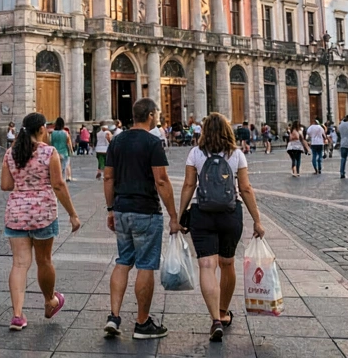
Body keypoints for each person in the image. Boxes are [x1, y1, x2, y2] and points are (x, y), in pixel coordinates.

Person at [177, 112, 264, 342]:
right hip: (230, 213)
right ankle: (224, 312)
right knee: (227, 264)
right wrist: (257, 219)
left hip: (201, 213)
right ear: (227, 131)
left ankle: (215, 319)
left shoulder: (195, 153)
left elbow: (188, 184)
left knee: (207, 265)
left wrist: (178, 216)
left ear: (204, 131)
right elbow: (245, 188)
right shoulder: (236, 154)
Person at [103, 98, 180, 340]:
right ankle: (142, 322)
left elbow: (108, 178)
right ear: (149, 115)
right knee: (145, 265)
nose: (157, 117)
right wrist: (173, 215)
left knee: (123, 261)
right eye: (156, 113)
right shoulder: (152, 142)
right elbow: (161, 180)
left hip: (122, 209)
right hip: (145, 210)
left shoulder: (116, 141)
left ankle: (114, 317)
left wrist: (110, 209)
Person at [1, 113, 81, 331]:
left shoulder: (11, 153)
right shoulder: (48, 152)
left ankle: (17, 315)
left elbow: (6, 185)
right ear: (42, 129)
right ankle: (50, 301)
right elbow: (58, 184)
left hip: (16, 213)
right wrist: (72, 214)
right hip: (43, 212)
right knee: (44, 260)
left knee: (19, 264)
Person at [50, 117, 74, 183]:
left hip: (56, 152)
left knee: (58, 166)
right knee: (66, 164)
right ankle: (68, 177)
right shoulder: (65, 133)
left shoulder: (53, 133)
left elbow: (51, 143)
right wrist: (71, 150)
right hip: (64, 152)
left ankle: (58, 177)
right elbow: (69, 143)